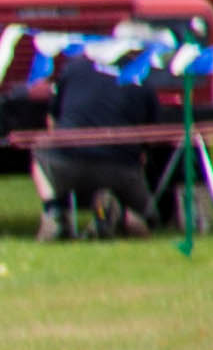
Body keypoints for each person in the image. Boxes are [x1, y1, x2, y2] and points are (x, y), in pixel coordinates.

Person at [36, 48, 168, 240]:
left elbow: (53, 117)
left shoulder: (74, 67)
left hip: (66, 164)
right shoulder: (141, 79)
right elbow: (153, 135)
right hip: (121, 170)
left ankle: (54, 211)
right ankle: (122, 214)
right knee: (147, 221)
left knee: (39, 148)